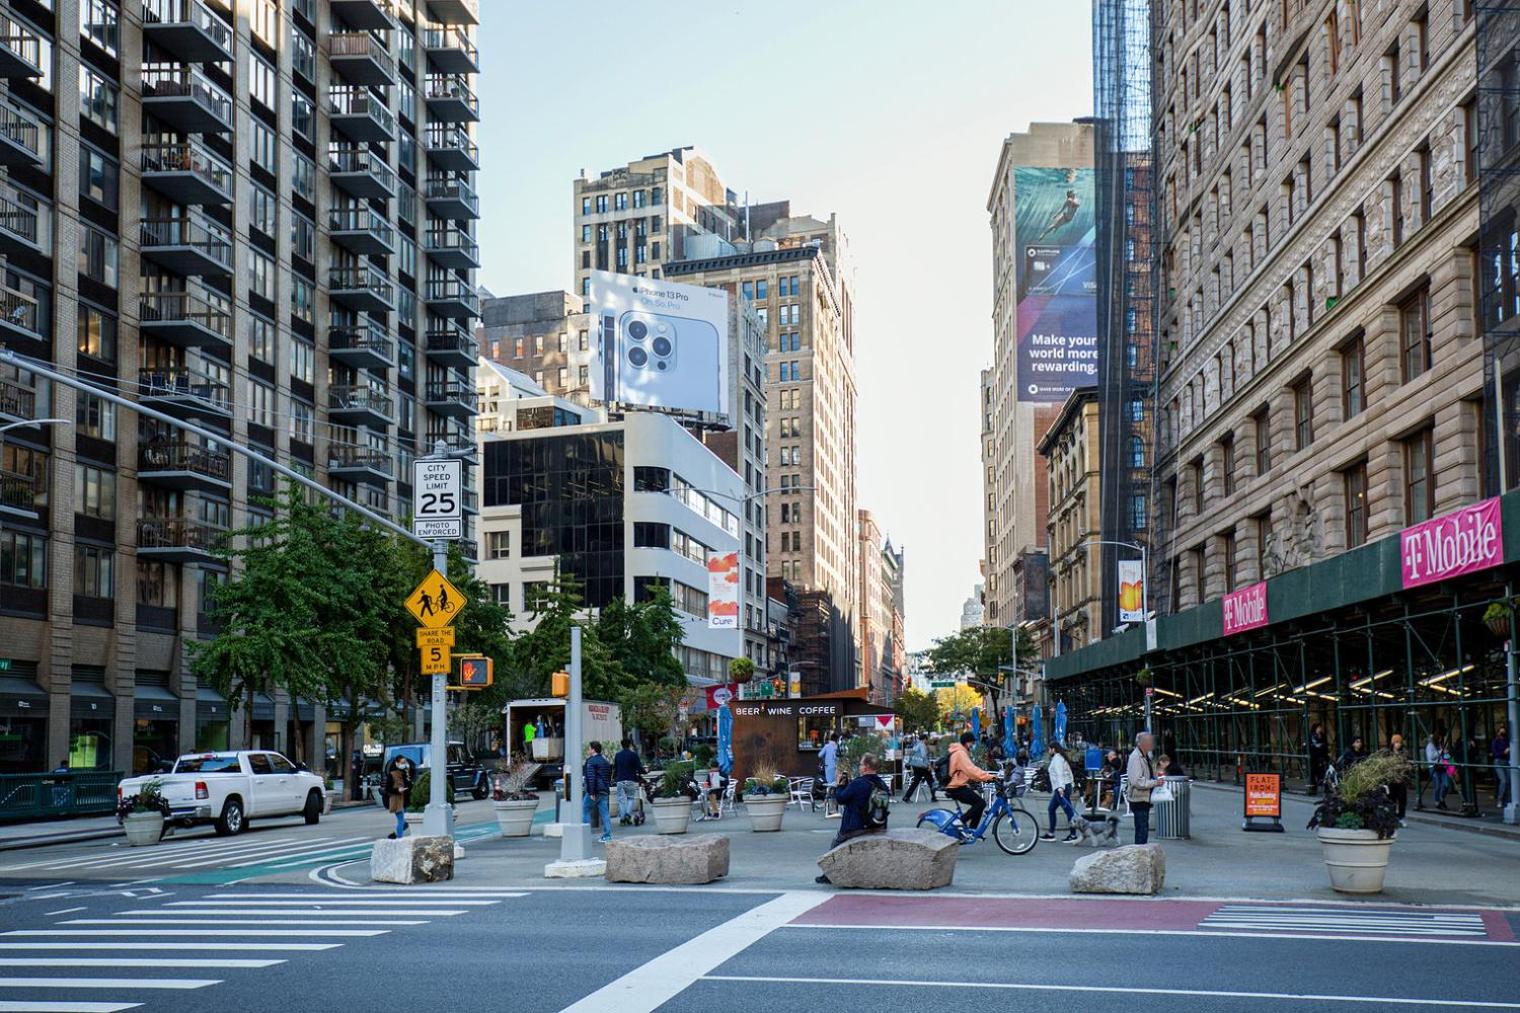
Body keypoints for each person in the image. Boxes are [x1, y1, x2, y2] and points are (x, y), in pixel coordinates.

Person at [815, 753, 892, 884]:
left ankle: (828, 875)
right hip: (878, 826)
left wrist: (840, 785)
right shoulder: (882, 784)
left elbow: (841, 799)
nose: (860, 767)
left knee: (836, 844)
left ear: (866, 767)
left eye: (861, 764)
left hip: (856, 829)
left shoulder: (858, 783)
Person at [945, 731, 999, 837]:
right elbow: (972, 770)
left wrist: (983, 778)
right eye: (971, 743)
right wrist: (991, 778)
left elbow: (969, 772)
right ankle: (959, 823)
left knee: (979, 804)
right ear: (966, 742)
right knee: (981, 803)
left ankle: (971, 831)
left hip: (958, 785)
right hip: (956, 787)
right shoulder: (960, 753)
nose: (972, 745)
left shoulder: (961, 751)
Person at [1126, 732, 1161, 845]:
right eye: (1149, 742)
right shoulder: (1136, 757)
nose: (1152, 744)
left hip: (1144, 798)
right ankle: (1139, 854)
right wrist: (1155, 783)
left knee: (1143, 828)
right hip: (1138, 798)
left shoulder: (1145, 756)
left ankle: (1141, 852)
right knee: (1141, 829)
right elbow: (1137, 781)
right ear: (1142, 743)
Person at [1041, 743, 1077, 842]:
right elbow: (1069, 772)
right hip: (1063, 786)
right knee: (1051, 809)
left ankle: (1073, 835)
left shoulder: (1057, 759)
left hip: (1061, 788)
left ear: (1053, 749)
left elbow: (1059, 774)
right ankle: (1051, 833)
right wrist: (1071, 784)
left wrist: (1061, 787)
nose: (1048, 751)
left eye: (1049, 749)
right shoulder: (1061, 757)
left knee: (1069, 811)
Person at [582, 740, 613, 843]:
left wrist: (591, 792)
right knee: (604, 813)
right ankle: (607, 835)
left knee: (585, 809)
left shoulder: (591, 761)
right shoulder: (605, 761)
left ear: (593, 749)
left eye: (589, 748)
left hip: (594, 791)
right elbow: (609, 776)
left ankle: (585, 835)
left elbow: (591, 777)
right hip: (604, 790)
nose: (588, 750)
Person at [613, 738, 645, 826]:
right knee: (630, 798)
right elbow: (639, 767)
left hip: (619, 780)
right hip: (630, 779)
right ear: (630, 744)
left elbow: (615, 767)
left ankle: (622, 819)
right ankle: (627, 815)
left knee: (621, 800)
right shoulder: (633, 755)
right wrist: (644, 772)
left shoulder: (617, 755)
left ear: (621, 745)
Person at [382, 754, 413, 839]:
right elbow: (388, 789)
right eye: (402, 762)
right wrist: (398, 790)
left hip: (406, 801)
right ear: (397, 763)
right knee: (401, 820)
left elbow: (409, 786)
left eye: (405, 762)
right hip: (396, 800)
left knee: (406, 822)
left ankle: (395, 834)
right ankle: (399, 838)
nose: (405, 764)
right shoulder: (392, 774)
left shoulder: (405, 773)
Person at [902, 734, 934, 802]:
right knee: (931, 781)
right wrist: (928, 765)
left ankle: (906, 797)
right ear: (925, 739)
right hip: (922, 766)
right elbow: (924, 756)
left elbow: (912, 755)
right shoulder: (922, 745)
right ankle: (934, 797)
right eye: (927, 739)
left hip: (915, 766)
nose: (927, 741)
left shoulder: (916, 745)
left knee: (915, 782)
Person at [1388, 733, 1410, 826]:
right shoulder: (1388, 754)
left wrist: (1402, 774)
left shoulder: (1404, 753)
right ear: (1393, 743)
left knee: (1402, 799)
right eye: (1396, 742)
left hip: (1402, 780)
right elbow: (1387, 767)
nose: (1398, 744)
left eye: (1399, 742)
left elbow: (1406, 765)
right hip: (1392, 780)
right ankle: (1392, 817)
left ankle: (1401, 817)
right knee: (1391, 799)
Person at [1426, 733, 1452, 810]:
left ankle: (1441, 798)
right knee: (1437, 785)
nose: (1440, 740)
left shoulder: (1440, 745)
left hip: (1442, 767)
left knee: (1446, 785)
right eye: (1439, 738)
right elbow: (1431, 756)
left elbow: (1444, 756)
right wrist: (1441, 751)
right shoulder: (1430, 746)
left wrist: (1447, 754)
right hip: (1434, 767)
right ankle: (1437, 801)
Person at [1494, 725, 1512, 813]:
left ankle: (1508, 800)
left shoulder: (1507, 741)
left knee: (1508, 781)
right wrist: (1503, 752)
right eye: (1501, 732)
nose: (1502, 734)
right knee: (1503, 780)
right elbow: (1495, 753)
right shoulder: (1495, 741)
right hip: (1499, 761)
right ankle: (1500, 800)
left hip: (1506, 761)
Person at [1307, 723, 1330, 793]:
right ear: (1316, 728)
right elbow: (1313, 745)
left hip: (1322, 756)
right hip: (1314, 757)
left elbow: (1325, 744)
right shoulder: (1312, 735)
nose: (1320, 729)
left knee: (1324, 772)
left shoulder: (1322, 735)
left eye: (1320, 727)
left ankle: (1326, 787)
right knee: (1313, 772)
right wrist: (1320, 745)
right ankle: (1313, 788)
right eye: (1319, 727)